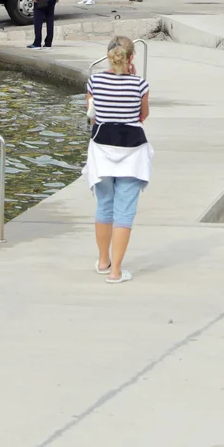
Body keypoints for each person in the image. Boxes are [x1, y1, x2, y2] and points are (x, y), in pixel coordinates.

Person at [84, 36, 152, 284]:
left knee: (104, 206)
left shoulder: (95, 80)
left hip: (101, 149)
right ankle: (116, 271)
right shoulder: (140, 84)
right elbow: (143, 115)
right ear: (131, 57)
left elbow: (92, 115)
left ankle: (103, 261)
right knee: (124, 211)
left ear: (109, 55)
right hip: (132, 152)